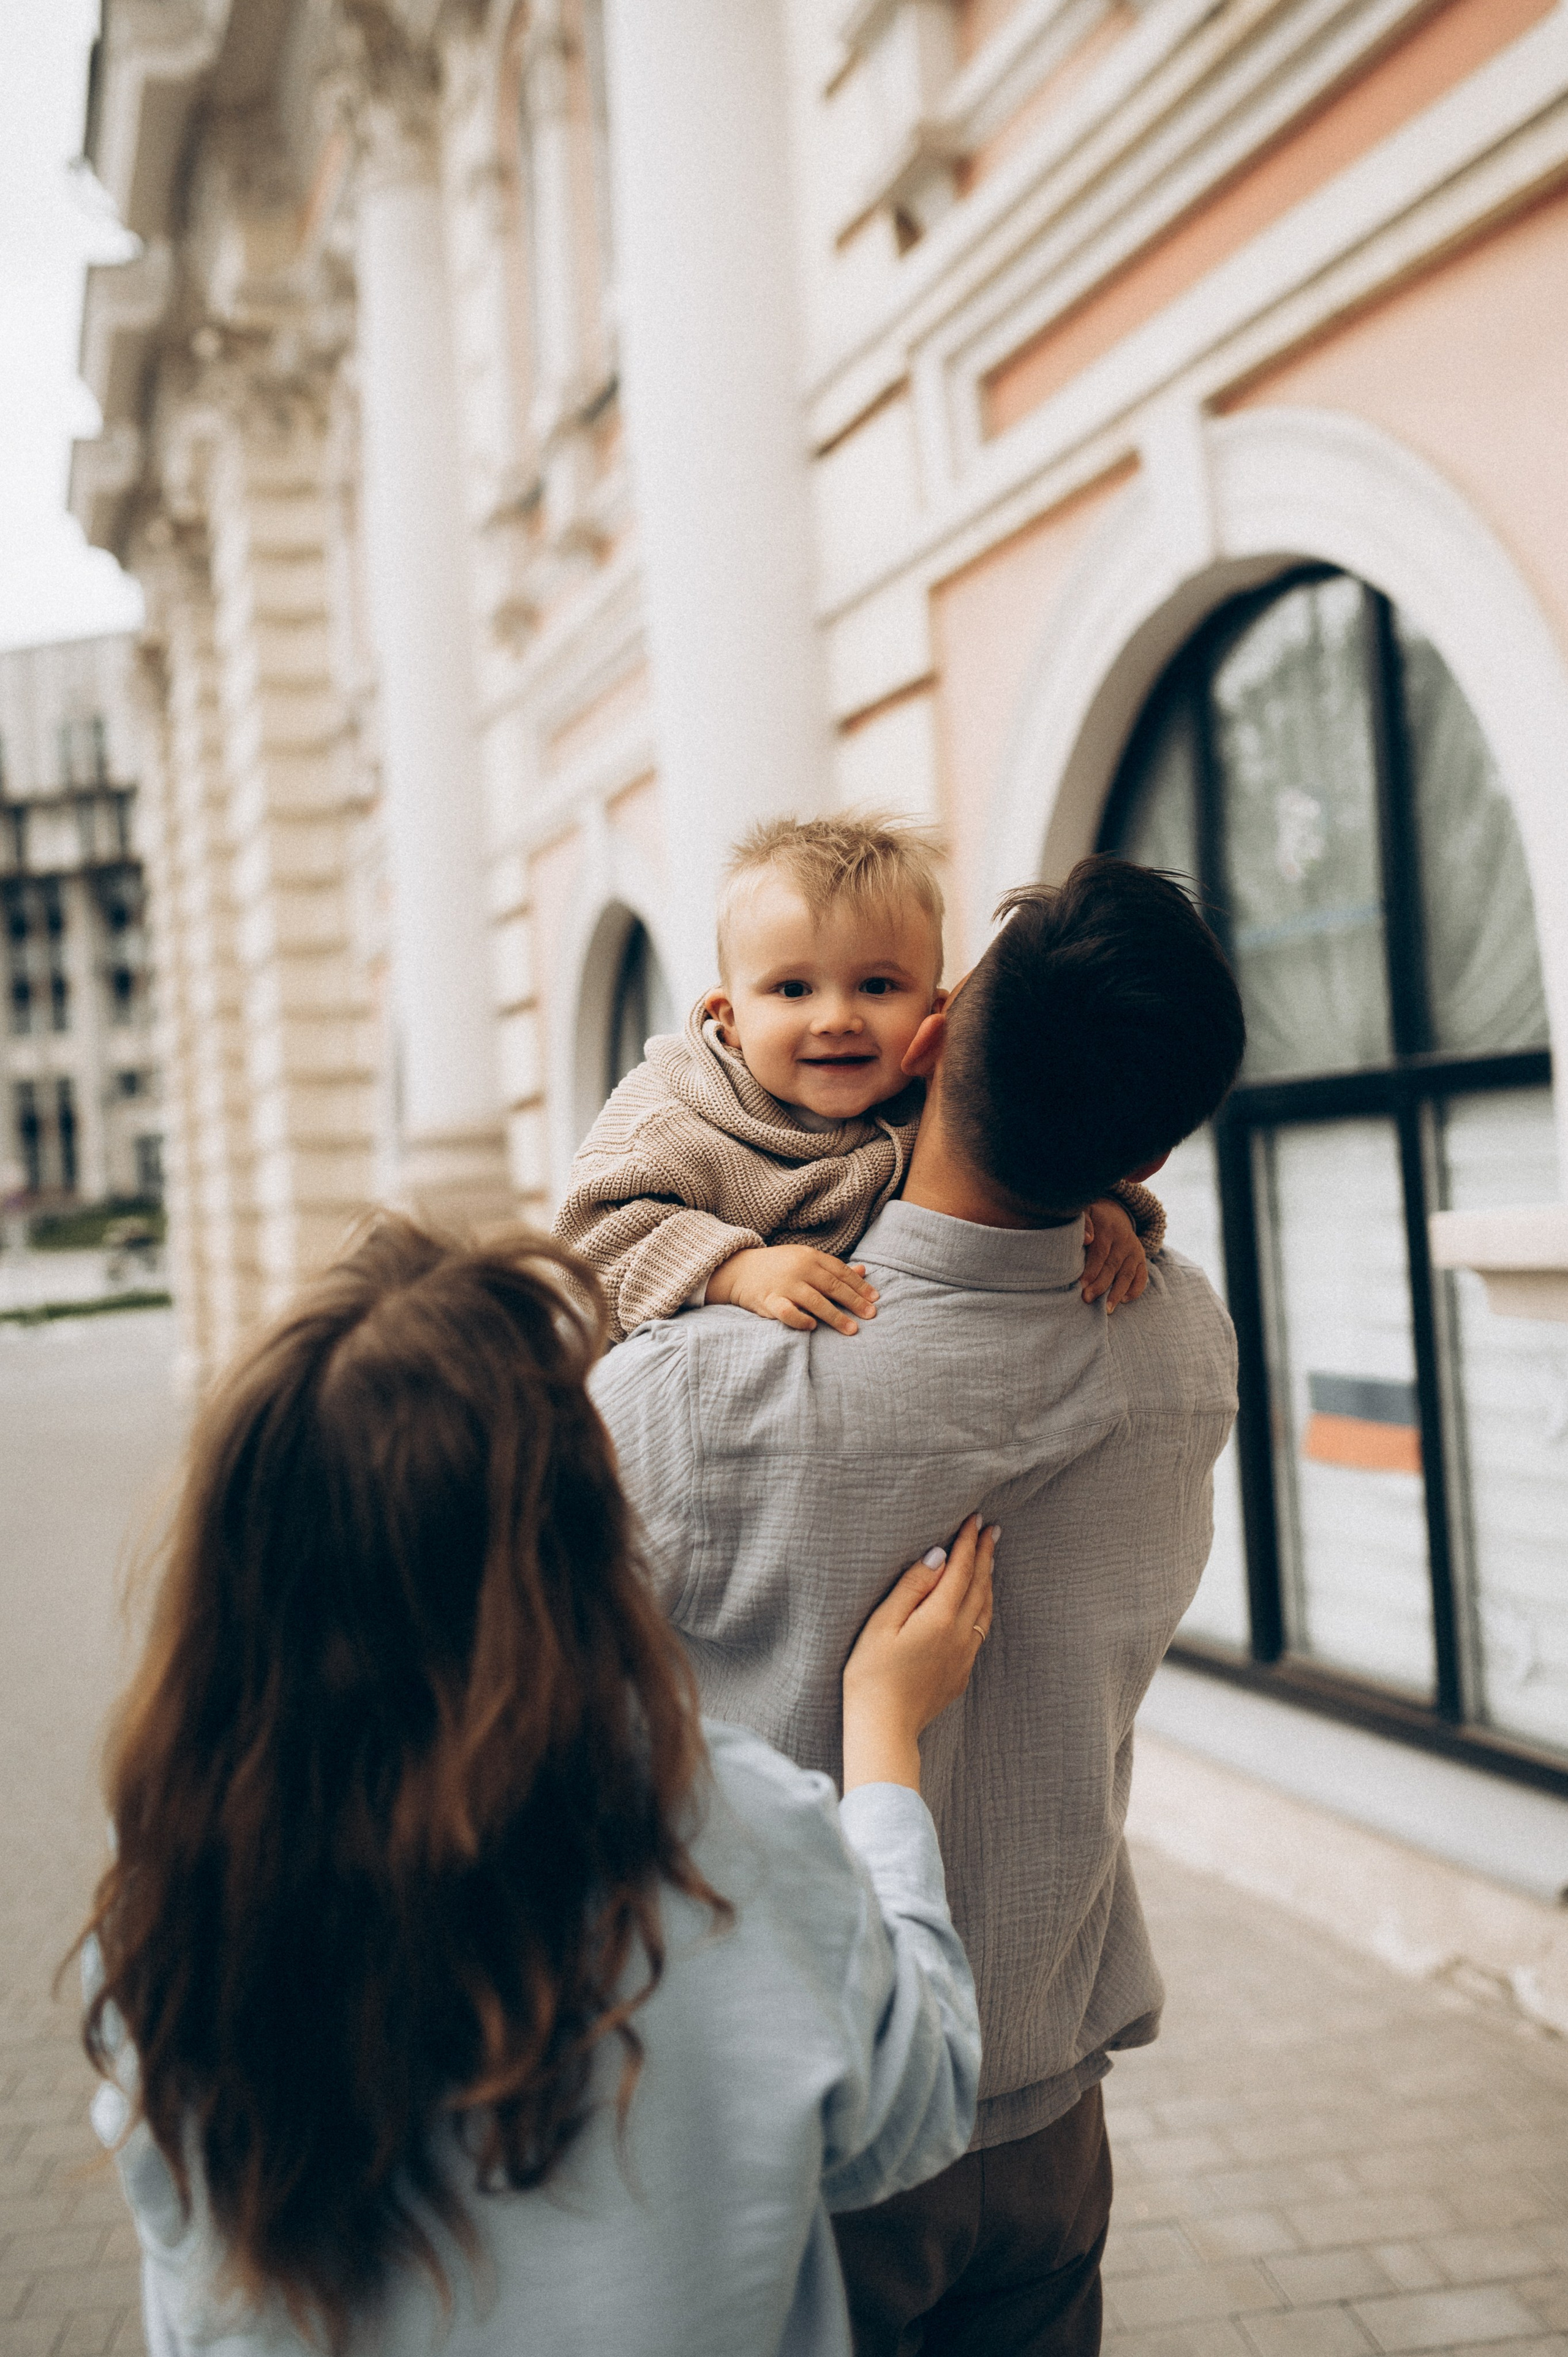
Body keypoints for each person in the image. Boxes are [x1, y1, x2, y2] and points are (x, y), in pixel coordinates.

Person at [75, 1218, 997, 2357]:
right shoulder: (728, 1828)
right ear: (575, 1531)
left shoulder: (172, 1904)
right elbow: (915, 2112)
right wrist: (885, 1739)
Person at [591, 856, 1246, 2356]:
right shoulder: (1183, 1346)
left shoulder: (691, 1386)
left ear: (932, 1035)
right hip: (1043, 2121)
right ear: (1140, 1148)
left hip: (798, 2132)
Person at [554, 815, 1163, 1343]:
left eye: (878, 986)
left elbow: (1044, 1144)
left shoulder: (938, 1102)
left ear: (937, 1014)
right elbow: (586, 1247)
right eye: (792, 989)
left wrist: (1096, 1209)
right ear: (730, 1018)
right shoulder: (675, 1109)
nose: (836, 1019)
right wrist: (732, 1271)